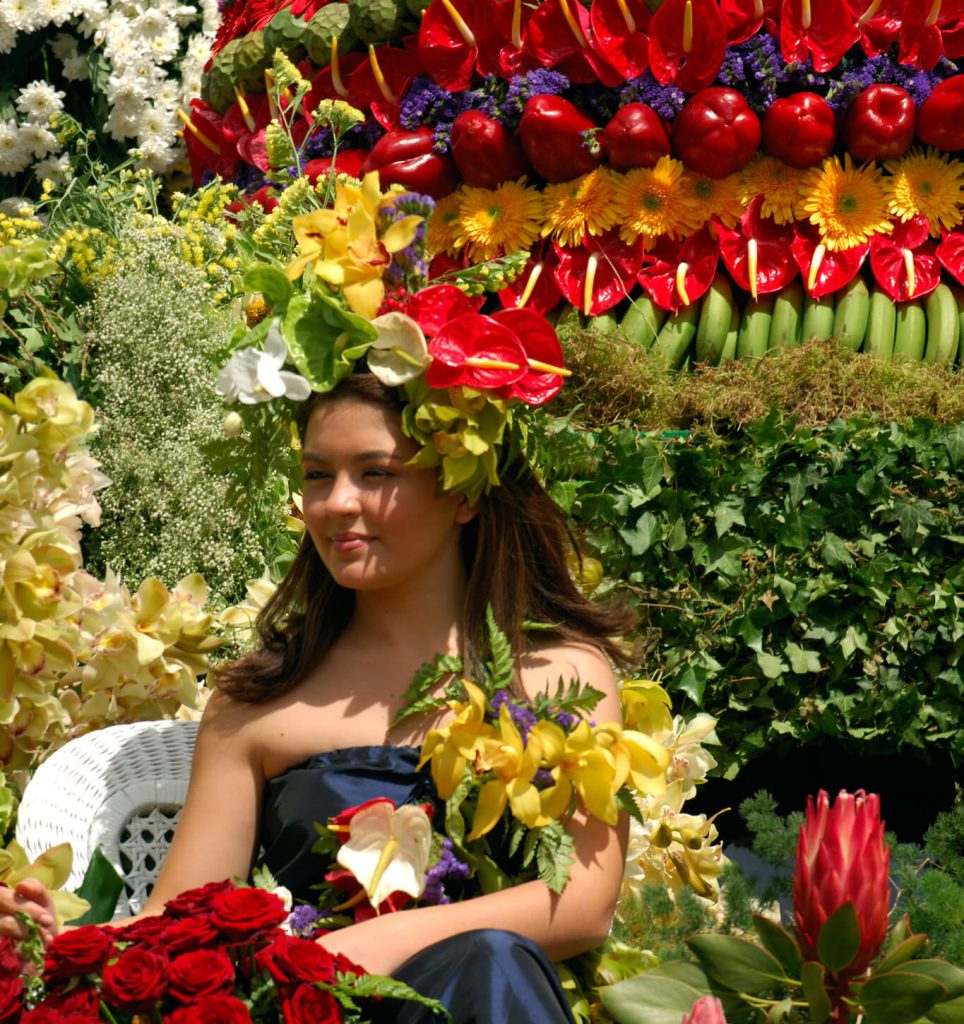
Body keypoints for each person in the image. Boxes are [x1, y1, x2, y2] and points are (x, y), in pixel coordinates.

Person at [1, 370, 636, 1022]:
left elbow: (584, 902)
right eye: (316, 475)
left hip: (492, 995)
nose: (336, 502)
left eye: (376, 473)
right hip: (317, 1008)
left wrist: (377, 942)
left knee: (493, 961)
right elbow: (180, 921)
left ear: (464, 491)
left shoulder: (561, 677)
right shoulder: (258, 702)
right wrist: (54, 942)